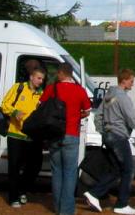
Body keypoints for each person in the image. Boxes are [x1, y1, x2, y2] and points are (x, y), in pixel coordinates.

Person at [85, 69, 135, 215]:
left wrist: (103, 132)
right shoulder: (123, 98)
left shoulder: (109, 95)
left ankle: (95, 193)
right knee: (128, 169)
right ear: (124, 80)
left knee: (116, 169)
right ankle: (121, 204)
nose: (132, 84)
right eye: (131, 81)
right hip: (119, 136)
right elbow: (132, 121)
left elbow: (98, 116)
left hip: (109, 135)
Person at [41, 62, 91, 215]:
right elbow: (87, 110)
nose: (56, 75)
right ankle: (67, 210)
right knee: (70, 172)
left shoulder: (52, 89)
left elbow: (41, 107)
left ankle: (57, 206)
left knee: (57, 172)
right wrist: (76, 115)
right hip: (71, 134)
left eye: (57, 73)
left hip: (54, 134)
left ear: (61, 73)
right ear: (70, 74)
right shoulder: (79, 90)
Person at [1, 63, 46, 208]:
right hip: (16, 134)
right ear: (31, 77)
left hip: (32, 137)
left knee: (35, 165)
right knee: (14, 166)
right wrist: (15, 113)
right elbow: (5, 104)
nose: (40, 81)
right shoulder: (18, 88)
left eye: (42, 79)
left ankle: (22, 190)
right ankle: (13, 197)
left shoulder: (42, 94)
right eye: (39, 78)